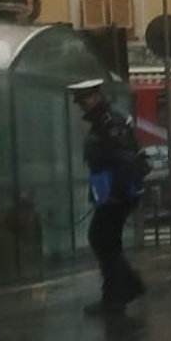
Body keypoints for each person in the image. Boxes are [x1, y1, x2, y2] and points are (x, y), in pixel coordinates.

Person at [70, 79, 147, 316]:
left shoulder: (108, 122)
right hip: (111, 191)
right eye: (80, 101)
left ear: (95, 97)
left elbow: (122, 158)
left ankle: (120, 293)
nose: (82, 106)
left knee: (102, 239)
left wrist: (116, 193)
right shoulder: (104, 121)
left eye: (84, 100)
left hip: (117, 192)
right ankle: (123, 289)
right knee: (106, 241)